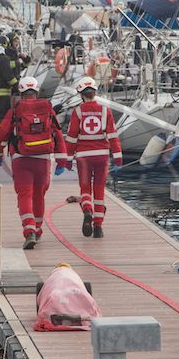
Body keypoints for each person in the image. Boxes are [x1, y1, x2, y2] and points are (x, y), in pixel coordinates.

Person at [0, 76, 68, 249]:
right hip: (43, 159)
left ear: (21, 92)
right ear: (36, 91)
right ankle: (37, 230)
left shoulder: (16, 110)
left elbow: (2, 133)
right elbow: (57, 134)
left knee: (25, 195)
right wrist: (61, 160)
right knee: (39, 196)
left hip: (21, 159)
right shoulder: (47, 108)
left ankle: (29, 230)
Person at [64, 77, 122, 239]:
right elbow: (113, 136)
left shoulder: (77, 112)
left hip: (83, 157)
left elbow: (71, 138)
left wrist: (67, 159)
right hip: (102, 156)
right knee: (99, 190)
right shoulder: (105, 111)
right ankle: (98, 227)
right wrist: (118, 157)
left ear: (81, 94)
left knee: (85, 189)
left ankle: (87, 210)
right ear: (95, 92)